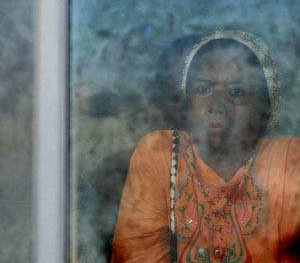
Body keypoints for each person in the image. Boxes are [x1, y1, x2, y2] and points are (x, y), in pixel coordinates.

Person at [111, 30, 300, 263]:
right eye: (203, 89)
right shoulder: (162, 153)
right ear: (187, 100)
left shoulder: (290, 159)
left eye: (236, 92)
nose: (216, 105)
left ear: (263, 106)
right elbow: (137, 255)